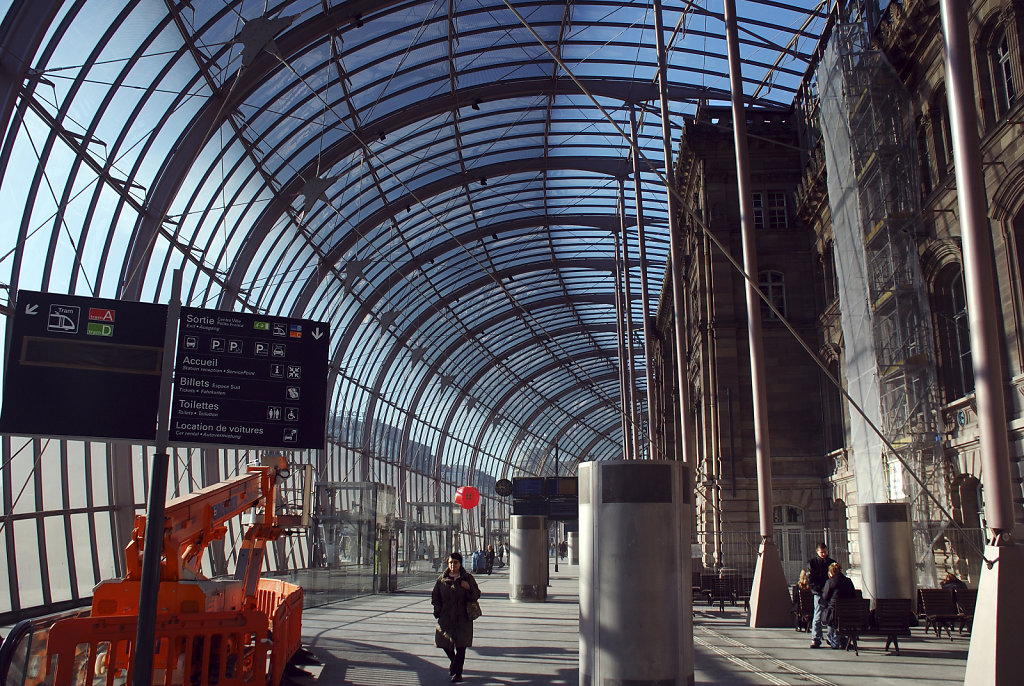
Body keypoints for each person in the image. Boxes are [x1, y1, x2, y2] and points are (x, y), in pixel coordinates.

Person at [431, 552, 481, 682]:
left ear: (460, 564)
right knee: (444, 643)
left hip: (463, 617)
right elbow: (435, 596)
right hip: (446, 616)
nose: (453, 565)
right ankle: (455, 664)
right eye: (451, 563)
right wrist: (438, 609)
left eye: (456, 563)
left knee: (461, 646)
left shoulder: (467, 578)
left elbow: (476, 594)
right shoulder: (441, 580)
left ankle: (457, 673)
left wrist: (469, 588)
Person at [820, 562, 858, 649]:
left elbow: (825, 597)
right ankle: (840, 640)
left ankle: (834, 641)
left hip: (834, 612)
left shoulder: (830, 581)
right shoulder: (848, 581)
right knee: (834, 615)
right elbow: (853, 595)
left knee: (828, 613)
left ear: (831, 572)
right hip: (847, 612)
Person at [806, 542, 836, 648]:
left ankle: (830, 637)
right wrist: (819, 589)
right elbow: (810, 579)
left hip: (828, 592)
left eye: (825, 552)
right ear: (817, 552)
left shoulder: (831, 562)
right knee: (818, 615)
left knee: (829, 616)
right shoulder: (813, 563)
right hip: (819, 593)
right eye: (821, 552)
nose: (823, 554)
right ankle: (816, 638)